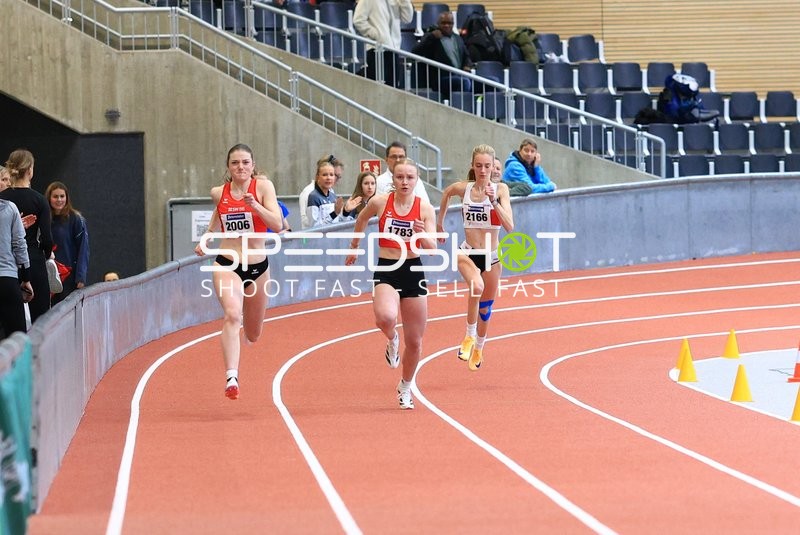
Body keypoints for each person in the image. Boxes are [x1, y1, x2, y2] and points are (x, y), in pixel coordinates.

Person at [345, 157, 436, 409]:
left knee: (416, 341)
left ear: (416, 180)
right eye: (400, 177)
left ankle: (405, 387)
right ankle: (392, 338)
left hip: (413, 270)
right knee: (385, 317)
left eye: (410, 177)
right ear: (392, 179)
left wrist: (420, 234)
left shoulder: (425, 208)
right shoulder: (380, 202)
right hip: (387, 268)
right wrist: (354, 247)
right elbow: (361, 219)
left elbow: (433, 248)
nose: (404, 181)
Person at [194, 143, 283, 400]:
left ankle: (246, 337)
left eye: (245, 162)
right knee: (233, 315)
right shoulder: (218, 192)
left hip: (258, 265)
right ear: (228, 167)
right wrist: (206, 239)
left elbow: (276, 225)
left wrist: (255, 206)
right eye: (235, 163)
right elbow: (217, 216)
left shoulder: (263, 187)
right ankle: (231, 377)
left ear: (253, 166)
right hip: (228, 263)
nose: (240, 167)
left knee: (253, 333)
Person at [437, 145, 514, 371]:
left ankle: (479, 346)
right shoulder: (464, 189)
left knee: (485, 308)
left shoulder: (501, 190)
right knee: (476, 286)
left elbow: (510, 227)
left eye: (487, 166)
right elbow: (446, 193)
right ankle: (469, 336)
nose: (483, 170)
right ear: (473, 166)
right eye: (478, 166)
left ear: (493, 167)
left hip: (492, 256)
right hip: (467, 252)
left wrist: (493, 202)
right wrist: (439, 224)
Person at [0, 149, 55, 324]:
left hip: (7, 263)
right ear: (30, 170)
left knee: (10, 322)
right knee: (41, 320)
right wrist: (47, 254)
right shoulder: (39, 200)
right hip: (33, 261)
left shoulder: (3, 199)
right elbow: (47, 239)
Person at [46, 181, 89, 305]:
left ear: (67, 198)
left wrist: (81, 276)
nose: (59, 200)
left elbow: (83, 249)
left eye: (62, 196)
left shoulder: (76, 219)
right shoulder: (44, 219)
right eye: (55, 197)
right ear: (49, 198)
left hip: (69, 277)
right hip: (49, 275)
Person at [411, 11, 473, 98]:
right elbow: (415, 52)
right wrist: (431, 37)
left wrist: (467, 65)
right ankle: (462, 110)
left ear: (453, 24)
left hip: (459, 75)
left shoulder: (458, 38)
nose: (447, 26)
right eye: (443, 23)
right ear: (438, 24)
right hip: (440, 79)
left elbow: (466, 56)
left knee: (492, 81)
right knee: (464, 82)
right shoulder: (431, 37)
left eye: (449, 23)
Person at [353, 0, 413, 88]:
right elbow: (358, 20)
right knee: (379, 86)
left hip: (394, 49)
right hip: (376, 49)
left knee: (393, 87)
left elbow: (407, 19)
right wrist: (375, 34)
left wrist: (404, 1)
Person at [0, 198, 33, 339]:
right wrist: (26, 278)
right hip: (7, 278)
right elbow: (19, 244)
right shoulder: (10, 208)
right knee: (17, 339)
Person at [300, 156, 344, 229]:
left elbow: (336, 219)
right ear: (318, 176)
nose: (329, 178)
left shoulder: (331, 193)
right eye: (325, 174)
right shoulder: (309, 193)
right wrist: (334, 214)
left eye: (331, 175)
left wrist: (346, 211)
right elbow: (309, 224)